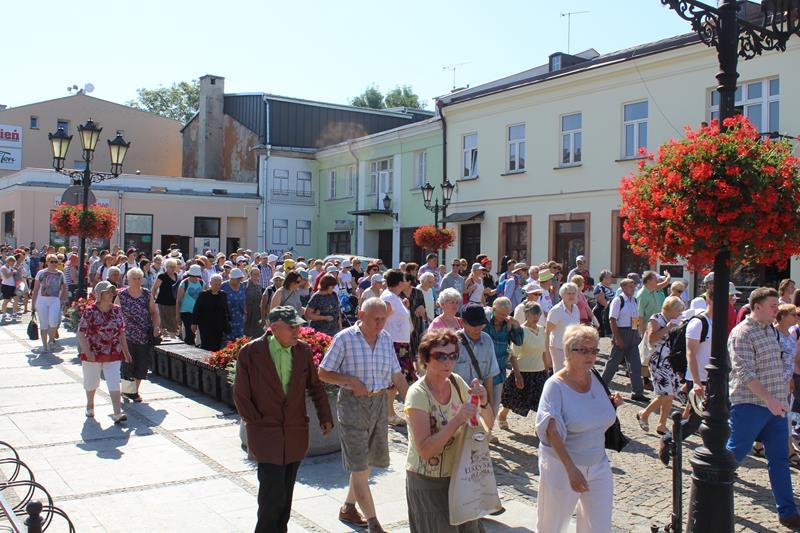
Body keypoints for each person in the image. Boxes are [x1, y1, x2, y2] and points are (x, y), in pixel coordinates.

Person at [233, 306, 332, 533]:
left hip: (295, 432)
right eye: (291, 327)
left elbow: (315, 386)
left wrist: (325, 416)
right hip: (266, 434)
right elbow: (241, 394)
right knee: (271, 494)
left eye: (298, 326)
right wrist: (256, 422)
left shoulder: (303, 351)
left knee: (286, 492)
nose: (297, 331)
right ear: (275, 328)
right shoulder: (251, 352)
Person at [318, 298, 410, 533]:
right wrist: (350, 380)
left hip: (378, 403)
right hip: (352, 405)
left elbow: (397, 376)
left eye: (383, 319)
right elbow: (323, 372)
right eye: (375, 319)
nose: (380, 324)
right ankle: (373, 523)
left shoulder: (386, 338)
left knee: (366, 464)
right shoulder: (345, 338)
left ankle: (348, 507)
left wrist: (413, 405)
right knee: (359, 465)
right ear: (361, 315)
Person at [535, 324, 622, 533]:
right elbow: (551, 432)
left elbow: (595, 414)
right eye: (583, 350)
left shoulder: (595, 377)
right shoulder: (555, 386)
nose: (590, 356)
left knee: (599, 528)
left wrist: (612, 405)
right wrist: (571, 470)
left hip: (599, 464)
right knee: (552, 527)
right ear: (568, 351)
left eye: (594, 350)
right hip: (562, 466)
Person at [726, 287, 800, 529]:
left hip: (775, 407)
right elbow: (744, 373)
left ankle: (788, 512)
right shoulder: (742, 333)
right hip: (750, 405)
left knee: (779, 460)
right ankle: (710, 494)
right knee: (734, 454)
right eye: (772, 306)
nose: (777, 310)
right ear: (757, 307)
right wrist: (769, 399)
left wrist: (779, 398)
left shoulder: (770, 330)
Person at [404, 328, 490, 533]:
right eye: (441, 356)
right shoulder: (417, 394)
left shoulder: (456, 382)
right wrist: (458, 420)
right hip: (429, 482)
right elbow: (425, 451)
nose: (448, 362)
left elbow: (486, 428)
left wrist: (484, 402)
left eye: (453, 356)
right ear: (426, 358)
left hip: (461, 477)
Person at [659, 289, 713, 466]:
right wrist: (696, 381)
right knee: (695, 421)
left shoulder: (718, 323)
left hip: (714, 379)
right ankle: (668, 439)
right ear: (711, 300)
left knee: (717, 419)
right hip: (698, 379)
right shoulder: (699, 323)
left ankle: (715, 457)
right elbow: (690, 353)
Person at [76, 281, 132, 424]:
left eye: (112, 291)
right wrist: (87, 352)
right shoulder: (90, 311)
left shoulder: (117, 310)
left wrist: (126, 352)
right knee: (91, 382)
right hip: (93, 353)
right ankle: (90, 405)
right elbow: (81, 333)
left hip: (113, 352)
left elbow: (121, 332)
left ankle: (117, 412)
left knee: (114, 381)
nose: (111, 294)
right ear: (100, 294)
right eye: (108, 291)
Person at [636, 296, 685, 436]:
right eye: (679, 310)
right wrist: (667, 328)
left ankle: (661, 425)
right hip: (657, 361)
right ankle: (644, 414)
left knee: (670, 394)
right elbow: (651, 339)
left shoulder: (675, 321)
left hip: (670, 361)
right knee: (665, 393)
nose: (680, 313)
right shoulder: (656, 319)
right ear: (671, 309)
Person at [497, 302, 549, 427]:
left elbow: (543, 351)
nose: (535, 317)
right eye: (533, 314)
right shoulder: (520, 331)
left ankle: (540, 426)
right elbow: (513, 354)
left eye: (538, 314)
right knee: (512, 399)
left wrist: (546, 369)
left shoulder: (542, 330)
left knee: (540, 401)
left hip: (539, 371)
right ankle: (502, 415)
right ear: (527, 314)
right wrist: (517, 374)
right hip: (523, 372)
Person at [601, 278, 648, 402]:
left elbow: (635, 317)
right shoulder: (618, 300)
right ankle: (601, 387)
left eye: (634, 286)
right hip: (622, 333)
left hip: (632, 333)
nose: (633, 289)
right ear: (623, 287)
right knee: (613, 363)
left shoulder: (634, 300)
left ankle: (637, 392)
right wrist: (617, 338)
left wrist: (636, 333)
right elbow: (612, 319)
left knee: (635, 364)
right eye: (630, 286)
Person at [483, 297, 523, 440]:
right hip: (483, 369)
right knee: (482, 402)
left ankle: (488, 431)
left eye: (506, 313)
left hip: (499, 369)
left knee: (495, 404)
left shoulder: (508, 324)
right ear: (494, 309)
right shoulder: (485, 321)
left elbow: (519, 342)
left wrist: (516, 326)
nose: (503, 316)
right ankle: (479, 432)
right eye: (501, 314)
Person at [118, 268, 160, 403]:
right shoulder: (122, 295)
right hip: (127, 336)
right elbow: (115, 313)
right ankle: (128, 391)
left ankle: (134, 391)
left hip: (143, 335)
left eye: (139, 278)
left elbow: (154, 312)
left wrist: (156, 326)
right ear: (128, 280)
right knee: (128, 364)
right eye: (134, 278)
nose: (137, 281)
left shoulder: (147, 294)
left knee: (142, 365)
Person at [381, 269, 416, 425]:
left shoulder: (395, 297)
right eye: (404, 279)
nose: (407, 281)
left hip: (400, 343)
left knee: (396, 380)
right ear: (400, 282)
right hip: (394, 343)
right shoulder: (388, 298)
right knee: (397, 379)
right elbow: (382, 319)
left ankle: (390, 413)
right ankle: (391, 413)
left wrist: (404, 305)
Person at [31, 253, 67, 352]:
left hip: (55, 300)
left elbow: (64, 288)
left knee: (53, 322)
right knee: (44, 324)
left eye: (56, 262)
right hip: (42, 300)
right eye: (52, 261)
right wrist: (33, 304)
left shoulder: (60, 274)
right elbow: (35, 290)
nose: (54, 263)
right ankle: (44, 346)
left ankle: (51, 340)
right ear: (47, 262)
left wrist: (63, 300)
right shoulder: (41, 273)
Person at [545, 282, 582, 372]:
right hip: (558, 349)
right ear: (562, 295)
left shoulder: (576, 309)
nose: (571, 296)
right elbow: (547, 333)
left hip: (573, 349)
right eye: (569, 293)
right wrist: (547, 355)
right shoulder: (556, 310)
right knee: (561, 375)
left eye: (573, 293)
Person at [192, 274, 231, 351]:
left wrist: (228, 321)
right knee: (206, 346)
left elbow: (226, 309)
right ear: (210, 283)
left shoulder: (223, 294)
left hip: (219, 325)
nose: (217, 286)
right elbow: (196, 309)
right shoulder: (203, 295)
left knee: (217, 346)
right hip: (205, 325)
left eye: (219, 284)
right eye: (215, 284)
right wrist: (194, 323)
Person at [175, 264, 204, 346]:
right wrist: (177, 315)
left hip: (198, 312)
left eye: (197, 276)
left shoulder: (202, 283)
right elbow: (178, 300)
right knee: (189, 333)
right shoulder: (184, 283)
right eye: (193, 276)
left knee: (199, 332)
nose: (195, 278)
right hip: (186, 311)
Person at [152, 258, 181, 338]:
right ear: (167, 267)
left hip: (173, 302)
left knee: (173, 321)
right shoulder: (162, 276)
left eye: (174, 266)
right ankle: (167, 336)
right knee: (165, 320)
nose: (173, 268)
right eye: (171, 266)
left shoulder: (176, 276)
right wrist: (153, 299)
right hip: (163, 302)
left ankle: (170, 336)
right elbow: (154, 288)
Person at [222, 268, 247, 342]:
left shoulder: (242, 286)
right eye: (238, 279)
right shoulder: (223, 286)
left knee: (239, 341)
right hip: (227, 319)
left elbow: (244, 300)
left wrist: (245, 312)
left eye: (240, 279)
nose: (239, 280)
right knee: (228, 342)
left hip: (240, 318)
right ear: (232, 278)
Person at [243, 267, 266, 338]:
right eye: (254, 274)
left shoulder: (259, 286)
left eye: (258, 274)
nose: (256, 276)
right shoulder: (244, 284)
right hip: (247, 312)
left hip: (256, 312)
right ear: (250, 274)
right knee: (247, 333)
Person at [593, 269, 615, 337]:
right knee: (602, 335)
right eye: (610, 277)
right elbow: (602, 301)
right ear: (604, 279)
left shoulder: (608, 287)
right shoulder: (600, 287)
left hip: (608, 313)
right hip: (601, 313)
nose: (611, 279)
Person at [0, 255, 20, 320]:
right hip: (6, 286)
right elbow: (6, 276)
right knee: (6, 300)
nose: (13, 263)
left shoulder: (11, 267)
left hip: (13, 286)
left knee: (16, 298)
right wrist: (13, 272)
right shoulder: (3, 268)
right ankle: (4, 314)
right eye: (12, 262)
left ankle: (14, 314)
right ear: (9, 261)